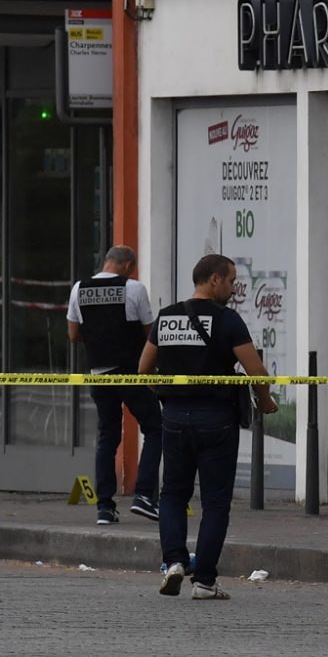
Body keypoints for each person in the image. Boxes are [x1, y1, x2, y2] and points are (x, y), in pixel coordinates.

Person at [138, 254, 277, 600]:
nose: (233, 289)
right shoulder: (227, 320)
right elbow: (256, 370)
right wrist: (265, 400)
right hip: (216, 419)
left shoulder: (167, 317)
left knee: (172, 494)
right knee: (215, 503)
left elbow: (143, 370)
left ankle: (173, 562)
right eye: (230, 281)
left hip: (174, 417)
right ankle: (204, 581)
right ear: (214, 280)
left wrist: (168, 393)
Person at [67, 245, 162, 525]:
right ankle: (144, 496)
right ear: (128, 266)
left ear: (106, 262)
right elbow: (150, 334)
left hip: (99, 374)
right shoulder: (133, 288)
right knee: (156, 428)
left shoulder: (79, 289)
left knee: (107, 438)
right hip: (132, 372)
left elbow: (73, 334)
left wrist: (98, 339)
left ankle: (105, 508)